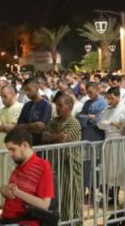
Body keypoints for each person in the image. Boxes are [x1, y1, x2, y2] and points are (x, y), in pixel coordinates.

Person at [0, 128, 54, 226]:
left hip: (24, 222)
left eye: (13, 149)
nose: (10, 154)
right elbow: (11, 192)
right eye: (8, 150)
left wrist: (17, 192)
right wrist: (3, 189)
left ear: (25, 145)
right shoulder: (19, 166)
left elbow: (44, 205)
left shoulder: (43, 166)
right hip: (7, 220)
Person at [41, 92, 81, 223]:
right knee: (56, 197)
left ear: (69, 106)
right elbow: (44, 137)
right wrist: (56, 136)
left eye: (60, 105)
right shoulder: (54, 120)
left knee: (70, 196)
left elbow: (64, 139)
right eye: (56, 105)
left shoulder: (74, 123)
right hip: (54, 164)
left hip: (70, 166)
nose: (57, 108)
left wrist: (53, 137)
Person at [0, 83, 23, 207]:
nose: (3, 100)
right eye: (1, 97)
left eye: (5, 96)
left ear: (13, 94)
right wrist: (3, 126)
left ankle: (11, 202)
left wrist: (2, 126)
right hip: (0, 144)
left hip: (13, 145)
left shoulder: (20, 107)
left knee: (10, 172)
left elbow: (12, 127)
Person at [15, 79, 52, 146]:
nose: (26, 93)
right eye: (25, 90)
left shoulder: (46, 105)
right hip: (26, 143)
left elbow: (40, 127)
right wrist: (33, 125)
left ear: (37, 88)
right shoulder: (27, 105)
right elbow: (18, 126)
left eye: (29, 90)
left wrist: (25, 126)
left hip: (40, 145)